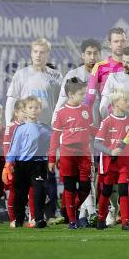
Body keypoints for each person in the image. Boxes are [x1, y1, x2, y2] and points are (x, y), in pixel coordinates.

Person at [5, 38, 62, 221]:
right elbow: (11, 99)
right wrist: (9, 125)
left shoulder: (55, 77)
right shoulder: (21, 75)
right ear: (31, 53)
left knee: (48, 173)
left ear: (48, 54)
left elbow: (60, 103)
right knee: (24, 175)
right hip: (26, 133)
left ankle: (48, 214)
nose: (38, 55)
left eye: (42, 52)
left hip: (47, 132)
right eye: (35, 51)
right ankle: (22, 216)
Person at [99, 45, 129, 229]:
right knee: (111, 179)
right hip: (117, 132)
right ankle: (113, 210)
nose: (125, 65)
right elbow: (104, 105)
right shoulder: (114, 78)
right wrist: (111, 123)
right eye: (124, 61)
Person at [49, 78, 93, 228]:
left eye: (84, 93)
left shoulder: (86, 110)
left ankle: (69, 210)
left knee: (85, 187)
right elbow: (55, 137)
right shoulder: (61, 113)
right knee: (70, 187)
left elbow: (92, 130)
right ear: (70, 94)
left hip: (84, 154)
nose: (84, 96)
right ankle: (72, 220)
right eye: (81, 94)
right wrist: (52, 158)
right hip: (67, 154)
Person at [5, 96, 51, 228]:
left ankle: (39, 219)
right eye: (30, 107)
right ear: (25, 110)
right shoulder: (20, 128)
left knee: (39, 192)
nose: (34, 110)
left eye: (36, 107)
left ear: (40, 110)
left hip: (39, 164)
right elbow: (14, 147)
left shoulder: (46, 129)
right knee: (20, 194)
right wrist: (8, 163)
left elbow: (54, 145)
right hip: (22, 165)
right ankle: (18, 220)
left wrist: (55, 157)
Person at [94, 88, 129, 231]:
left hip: (124, 163)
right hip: (108, 162)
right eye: (126, 100)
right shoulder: (107, 121)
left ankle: (125, 222)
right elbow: (97, 143)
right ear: (116, 103)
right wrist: (110, 151)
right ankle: (101, 219)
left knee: (123, 190)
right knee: (106, 191)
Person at [84, 27, 129, 123]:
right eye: (116, 41)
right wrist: (83, 116)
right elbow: (90, 97)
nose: (119, 44)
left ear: (126, 42)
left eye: (122, 41)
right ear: (109, 44)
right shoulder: (99, 67)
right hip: (108, 123)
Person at [53, 38, 101, 114]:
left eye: (95, 53)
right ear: (83, 55)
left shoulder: (107, 76)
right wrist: (55, 120)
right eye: (89, 53)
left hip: (100, 121)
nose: (92, 57)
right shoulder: (72, 75)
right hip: (76, 120)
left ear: (99, 55)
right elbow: (61, 103)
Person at [2, 99, 26, 227]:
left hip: (28, 165)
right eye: (23, 111)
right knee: (14, 192)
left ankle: (32, 218)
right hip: (15, 165)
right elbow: (6, 147)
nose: (25, 113)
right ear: (16, 112)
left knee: (30, 191)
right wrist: (8, 164)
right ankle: (13, 219)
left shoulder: (31, 126)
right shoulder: (10, 127)